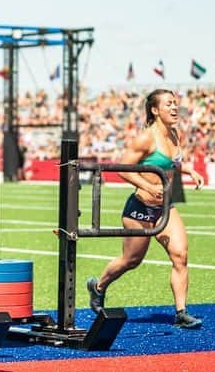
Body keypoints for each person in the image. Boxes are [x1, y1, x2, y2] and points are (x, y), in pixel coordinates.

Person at [86, 89, 206, 329]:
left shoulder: (174, 134)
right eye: (169, 104)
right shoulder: (145, 139)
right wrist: (147, 187)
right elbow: (121, 168)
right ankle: (98, 287)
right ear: (154, 110)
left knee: (180, 256)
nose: (174, 108)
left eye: (175, 103)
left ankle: (181, 312)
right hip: (140, 208)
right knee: (131, 260)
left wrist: (189, 170)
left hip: (164, 208)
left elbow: (172, 162)